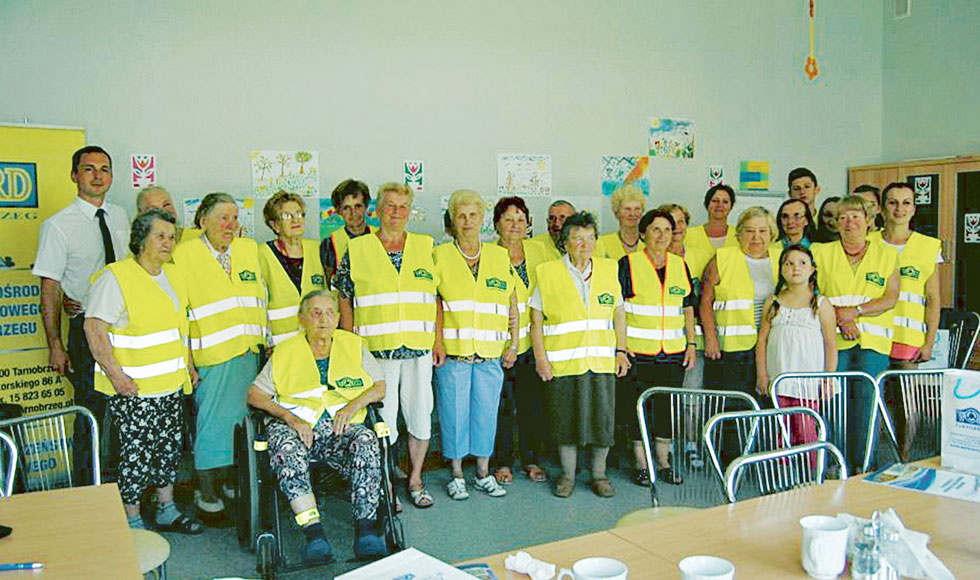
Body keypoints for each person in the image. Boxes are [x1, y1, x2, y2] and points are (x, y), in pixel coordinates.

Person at [84, 209, 203, 534]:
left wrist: (189, 366)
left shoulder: (173, 275)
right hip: (134, 389)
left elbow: (181, 328)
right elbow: (94, 329)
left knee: (168, 450)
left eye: (172, 237)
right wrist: (116, 376)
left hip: (171, 386)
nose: (168, 243)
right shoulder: (116, 277)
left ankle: (167, 509)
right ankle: (132, 517)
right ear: (140, 240)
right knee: (135, 455)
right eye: (160, 236)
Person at [247, 291, 388, 562]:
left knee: (367, 440)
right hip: (295, 429)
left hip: (339, 428)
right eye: (316, 313)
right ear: (302, 319)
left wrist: (352, 406)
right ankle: (315, 536)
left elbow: (379, 387)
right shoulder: (285, 351)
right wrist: (290, 418)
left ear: (337, 317)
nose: (323, 319)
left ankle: (367, 532)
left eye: (329, 313)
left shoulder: (354, 345)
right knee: (287, 449)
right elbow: (255, 395)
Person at [335, 182, 438, 509]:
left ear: (410, 212)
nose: (396, 212)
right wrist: (349, 341)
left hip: (419, 349)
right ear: (377, 210)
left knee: (421, 415)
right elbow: (344, 296)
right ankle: (386, 485)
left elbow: (437, 297)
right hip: (377, 352)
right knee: (384, 421)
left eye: (403, 206)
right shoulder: (358, 248)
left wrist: (438, 341)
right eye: (390, 206)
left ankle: (416, 479)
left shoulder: (426, 246)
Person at [33, 145, 129, 482]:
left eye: (104, 169)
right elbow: (50, 288)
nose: (98, 176)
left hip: (126, 330)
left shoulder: (120, 216)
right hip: (86, 329)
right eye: (89, 169)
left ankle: (124, 488)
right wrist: (55, 345)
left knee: (125, 409)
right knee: (91, 411)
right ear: (75, 175)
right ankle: (88, 486)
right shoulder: (59, 225)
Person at [172, 192, 266, 517]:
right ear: (203, 221)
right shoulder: (183, 255)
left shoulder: (247, 249)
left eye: (235, 218)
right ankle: (206, 492)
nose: (231, 225)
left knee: (239, 425)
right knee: (212, 427)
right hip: (211, 358)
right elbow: (179, 314)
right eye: (223, 218)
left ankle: (228, 482)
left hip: (247, 354)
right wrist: (187, 363)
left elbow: (260, 298)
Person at [529, 211, 630, 498]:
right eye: (578, 238)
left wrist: (621, 351)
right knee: (565, 421)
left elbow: (618, 314)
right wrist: (541, 359)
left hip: (601, 361)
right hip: (563, 363)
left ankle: (599, 475)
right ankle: (567, 476)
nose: (585, 244)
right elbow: (536, 320)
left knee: (603, 421)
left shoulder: (609, 269)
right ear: (565, 243)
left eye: (590, 238)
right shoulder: (548, 272)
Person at [432, 190, 519, 500]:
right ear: (452, 222)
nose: (468, 221)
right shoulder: (440, 255)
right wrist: (437, 342)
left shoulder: (499, 256)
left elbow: (511, 302)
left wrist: (514, 342)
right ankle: (456, 474)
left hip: (489, 355)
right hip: (454, 355)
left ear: (483, 219)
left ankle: (483, 472)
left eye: (473, 215)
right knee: (453, 415)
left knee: (486, 415)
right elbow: (434, 303)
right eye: (461, 215)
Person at [811, 195, 899, 470]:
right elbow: (812, 292)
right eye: (843, 217)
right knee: (833, 401)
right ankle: (835, 462)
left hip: (872, 342)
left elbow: (890, 297)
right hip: (832, 340)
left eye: (856, 216)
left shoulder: (887, 254)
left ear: (869, 221)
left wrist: (856, 311)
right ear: (836, 223)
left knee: (867, 401)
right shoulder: (820, 252)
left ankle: (865, 464)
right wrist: (841, 318)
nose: (849, 222)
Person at [618, 209, 696, 486]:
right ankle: (642, 463)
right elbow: (618, 309)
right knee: (636, 406)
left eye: (667, 230)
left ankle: (663, 462)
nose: (662, 236)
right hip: (637, 352)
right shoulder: (627, 264)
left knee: (667, 408)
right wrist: (621, 348)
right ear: (643, 233)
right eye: (655, 229)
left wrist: (691, 344)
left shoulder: (680, 265)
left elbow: (687, 307)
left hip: (673, 352)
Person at [876, 182, 943, 460]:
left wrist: (929, 342)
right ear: (882, 208)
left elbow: (934, 299)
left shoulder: (928, 246)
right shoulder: (869, 242)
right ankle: (868, 458)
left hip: (908, 337)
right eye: (892, 202)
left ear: (914, 209)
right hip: (873, 334)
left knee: (906, 403)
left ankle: (903, 457)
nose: (899, 209)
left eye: (906, 203)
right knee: (872, 400)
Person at [491, 196, 551, 485]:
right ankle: (502, 461)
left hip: (534, 345)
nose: (515, 225)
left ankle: (531, 459)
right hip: (502, 347)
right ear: (496, 224)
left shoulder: (539, 250)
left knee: (532, 405)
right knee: (502, 407)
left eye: (520, 219)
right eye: (508, 219)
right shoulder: (489, 254)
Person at [755, 245, 838, 446]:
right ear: (781, 269)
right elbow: (762, 340)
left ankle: (811, 465)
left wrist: (827, 379)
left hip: (807, 382)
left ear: (812, 269)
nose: (796, 268)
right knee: (780, 431)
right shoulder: (773, 302)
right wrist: (762, 374)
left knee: (806, 429)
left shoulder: (821, 303)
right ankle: (781, 466)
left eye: (802, 263)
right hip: (778, 378)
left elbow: (830, 344)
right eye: (789, 263)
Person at [700, 207, 780, 397]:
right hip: (731, 349)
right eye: (749, 231)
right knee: (733, 401)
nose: (756, 237)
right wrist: (710, 337)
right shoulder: (723, 257)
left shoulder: (782, 258)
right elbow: (705, 300)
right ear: (739, 234)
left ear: (771, 234)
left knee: (767, 400)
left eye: (762, 231)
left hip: (772, 344)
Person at [258, 191, 326, 346]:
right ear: (275, 225)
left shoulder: (318, 250)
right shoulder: (262, 254)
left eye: (299, 214)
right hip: (280, 345)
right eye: (287, 216)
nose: (296, 220)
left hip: (315, 343)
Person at [320, 179, 372, 283]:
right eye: (346, 208)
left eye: (358, 206)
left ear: (366, 207)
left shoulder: (382, 237)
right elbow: (327, 284)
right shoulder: (328, 245)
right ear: (338, 211)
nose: (353, 213)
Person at [685, 185, 738, 258]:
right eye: (715, 201)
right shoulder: (688, 234)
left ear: (731, 206)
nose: (720, 205)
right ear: (707, 204)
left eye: (725, 202)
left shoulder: (739, 235)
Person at [598, 186, 645, 260]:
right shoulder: (602, 243)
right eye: (627, 209)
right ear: (616, 213)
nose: (632, 214)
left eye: (637, 209)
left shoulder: (650, 243)